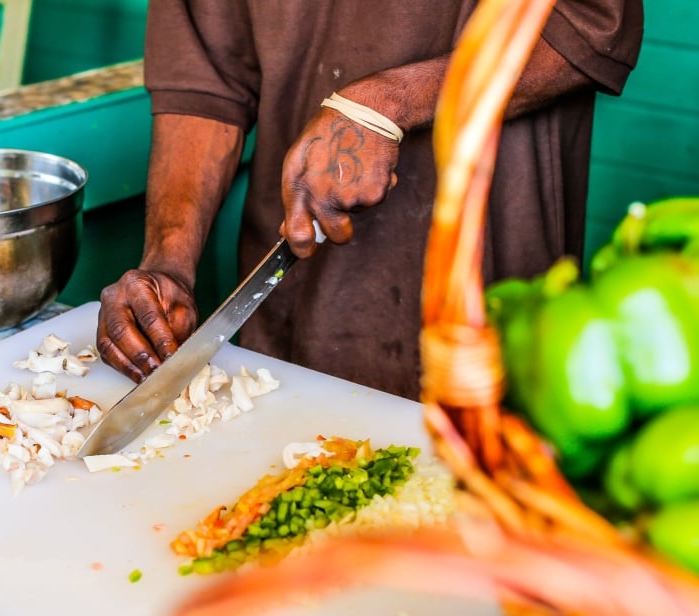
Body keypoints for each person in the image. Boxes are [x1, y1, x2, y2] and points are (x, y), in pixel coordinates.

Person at [95, 1, 643, 400]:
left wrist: (389, 101)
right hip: (292, 305)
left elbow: (589, 24)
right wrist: (169, 261)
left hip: (491, 301)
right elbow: (206, 86)